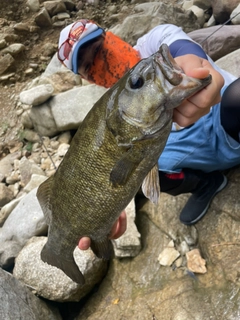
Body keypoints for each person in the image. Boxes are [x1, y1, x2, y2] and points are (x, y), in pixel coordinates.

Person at [57, 19, 240, 250]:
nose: (100, 61)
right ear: (87, 79)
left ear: (111, 36)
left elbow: (183, 49)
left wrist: (195, 68)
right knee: (149, 170)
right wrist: (110, 201)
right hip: (207, 157)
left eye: (98, 48)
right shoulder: (108, 111)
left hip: (231, 122)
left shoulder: (155, 41)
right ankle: (208, 184)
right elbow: (115, 169)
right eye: (88, 65)